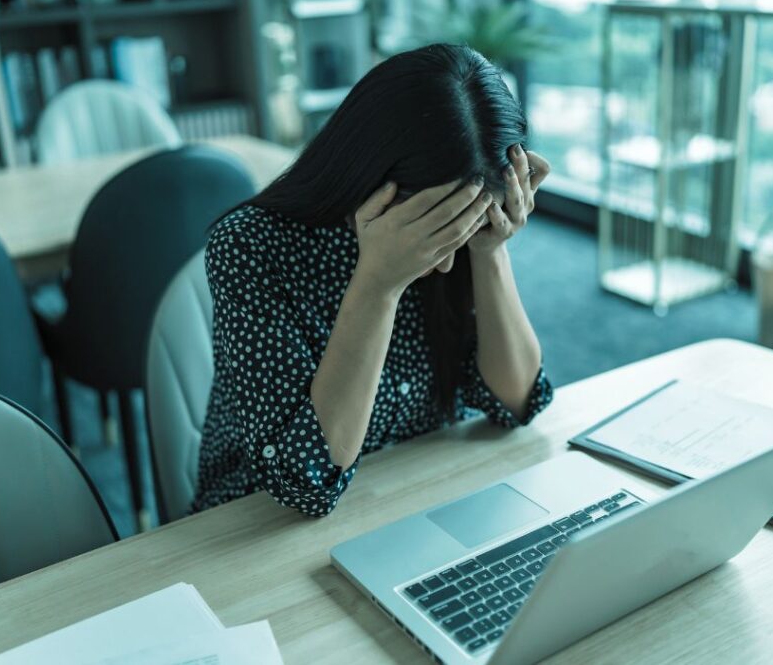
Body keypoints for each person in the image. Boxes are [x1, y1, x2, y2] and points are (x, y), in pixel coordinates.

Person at [192, 43, 554, 517]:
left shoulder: (466, 223)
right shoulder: (251, 248)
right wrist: (379, 284)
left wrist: (489, 250)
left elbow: (515, 403)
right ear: (367, 176)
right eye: (434, 227)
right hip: (256, 523)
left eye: (465, 223)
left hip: (408, 495)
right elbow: (305, 484)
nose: (444, 260)